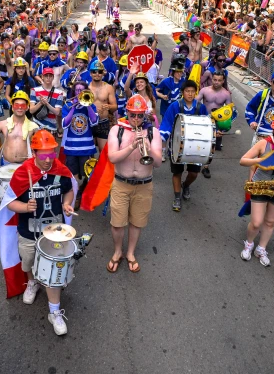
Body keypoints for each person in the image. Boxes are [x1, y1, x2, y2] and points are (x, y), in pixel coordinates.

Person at [3, 130, 75, 336]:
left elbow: (69, 190)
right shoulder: (21, 173)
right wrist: (25, 207)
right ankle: (32, 282)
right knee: (28, 261)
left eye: (51, 153)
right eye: (43, 154)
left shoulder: (60, 170)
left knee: (55, 270)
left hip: (55, 233)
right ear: (33, 152)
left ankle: (54, 311)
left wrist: (67, 203)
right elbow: (9, 203)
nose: (47, 159)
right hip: (28, 231)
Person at [106, 95, 162, 273]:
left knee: (137, 222)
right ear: (127, 113)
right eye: (132, 115)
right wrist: (131, 147)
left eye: (139, 116)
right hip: (121, 182)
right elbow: (112, 157)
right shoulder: (117, 130)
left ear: (145, 115)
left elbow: (159, 162)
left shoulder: (153, 132)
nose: (136, 119)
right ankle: (117, 252)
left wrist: (148, 146)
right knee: (117, 223)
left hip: (144, 184)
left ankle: (130, 253)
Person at [239, 114, 274, 267]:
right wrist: (259, 160)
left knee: (270, 222)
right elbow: (243, 160)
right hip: (260, 186)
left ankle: (261, 248)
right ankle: (249, 243)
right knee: (256, 222)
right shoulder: (264, 143)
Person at [159, 81, 208, 212]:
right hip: (176, 147)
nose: (190, 94)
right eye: (187, 91)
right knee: (177, 172)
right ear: (182, 92)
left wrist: (214, 130)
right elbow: (166, 123)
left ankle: (185, 185)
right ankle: (177, 197)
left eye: (193, 91)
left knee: (194, 173)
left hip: (195, 147)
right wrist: (161, 138)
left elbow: (207, 124)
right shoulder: (175, 106)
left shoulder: (200, 107)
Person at [0, 91, 38, 166]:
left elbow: (42, 146)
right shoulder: (3, 124)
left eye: (23, 105)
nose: (20, 107)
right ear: (12, 107)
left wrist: (37, 154)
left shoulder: (33, 126)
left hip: (25, 165)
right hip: (6, 164)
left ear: (27, 107)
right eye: (16, 105)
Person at [196, 71, 233, 178]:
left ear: (223, 81)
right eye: (214, 80)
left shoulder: (226, 94)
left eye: (219, 80)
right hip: (203, 120)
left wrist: (224, 129)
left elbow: (229, 112)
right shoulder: (204, 90)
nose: (216, 82)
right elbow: (195, 102)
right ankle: (196, 161)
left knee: (212, 146)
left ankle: (206, 167)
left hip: (216, 123)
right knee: (200, 141)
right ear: (212, 79)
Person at [88, 59, 116, 152]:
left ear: (103, 73)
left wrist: (109, 107)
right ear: (90, 73)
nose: (97, 74)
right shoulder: (86, 87)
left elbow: (115, 106)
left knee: (103, 151)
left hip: (103, 122)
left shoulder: (108, 87)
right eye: (94, 72)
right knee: (89, 151)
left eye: (99, 72)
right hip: (90, 122)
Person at [29, 67, 63, 134]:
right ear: (42, 77)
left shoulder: (59, 93)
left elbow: (57, 112)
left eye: (50, 76)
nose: (48, 78)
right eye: (46, 76)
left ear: (53, 77)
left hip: (51, 127)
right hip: (37, 125)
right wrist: (40, 103)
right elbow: (31, 110)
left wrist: (47, 104)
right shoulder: (34, 90)